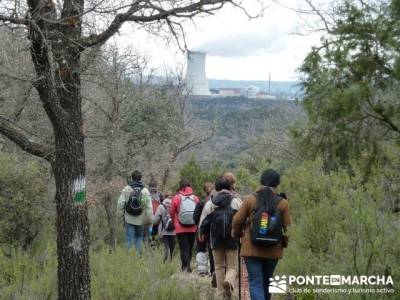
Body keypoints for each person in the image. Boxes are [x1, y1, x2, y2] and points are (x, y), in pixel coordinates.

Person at [232, 169, 292, 300]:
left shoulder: (249, 199)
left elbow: (237, 221)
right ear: (277, 183)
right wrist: (284, 242)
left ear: (261, 181)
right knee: (268, 281)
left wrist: (237, 234)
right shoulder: (283, 202)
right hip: (273, 249)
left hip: (251, 248)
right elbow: (288, 227)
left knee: (255, 282)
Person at [200, 176, 242, 299]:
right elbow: (243, 219)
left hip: (216, 240)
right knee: (232, 266)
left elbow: (204, 221)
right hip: (232, 238)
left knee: (218, 267)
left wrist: (202, 233)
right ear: (230, 187)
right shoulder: (236, 201)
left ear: (216, 188)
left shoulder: (211, 203)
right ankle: (229, 281)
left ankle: (220, 294)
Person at [117, 170, 152, 255]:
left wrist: (121, 215)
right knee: (139, 238)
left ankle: (129, 259)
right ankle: (138, 258)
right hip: (140, 219)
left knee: (129, 239)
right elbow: (149, 207)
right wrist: (150, 220)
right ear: (140, 178)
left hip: (129, 218)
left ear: (132, 178)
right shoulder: (145, 191)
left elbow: (120, 204)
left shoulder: (127, 189)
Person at [169, 179, 199, 272]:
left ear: (180, 186)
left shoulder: (177, 197)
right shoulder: (195, 198)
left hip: (180, 227)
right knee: (190, 247)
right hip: (193, 227)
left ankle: (185, 268)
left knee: (183, 248)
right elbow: (198, 212)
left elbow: (171, 212)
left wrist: (174, 222)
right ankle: (188, 266)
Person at [194, 182, 215, 276]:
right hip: (213, 229)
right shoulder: (215, 202)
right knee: (212, 249)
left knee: (201, 248)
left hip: (202, 229)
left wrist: (199, 225)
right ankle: (212, 270)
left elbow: (195, 217)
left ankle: (202, 270)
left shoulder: (201, 202)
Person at [151, 191, 176, 262]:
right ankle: (171, 261)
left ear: (165, 197)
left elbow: (155, 221)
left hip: (163, 231)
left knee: (166, 248)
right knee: (172, 248)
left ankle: (164, 262)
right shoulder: (176, 205)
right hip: (174, 231)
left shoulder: (161, 206)